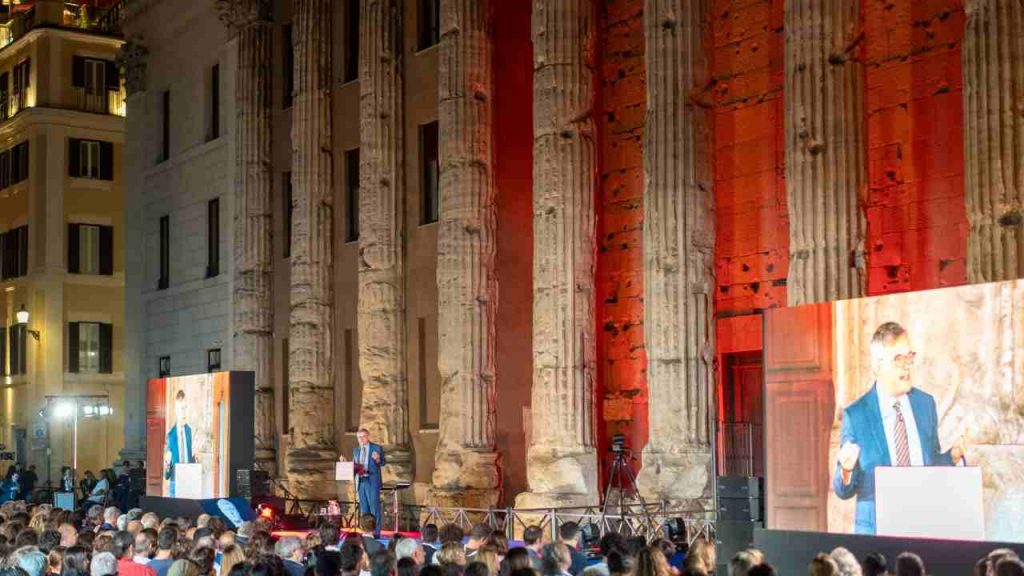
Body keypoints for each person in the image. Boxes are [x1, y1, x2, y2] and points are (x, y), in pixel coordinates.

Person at [832, 322, 967, 534]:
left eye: (909, 356)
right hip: (878, 538)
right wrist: (846, 469)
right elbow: (843, 490)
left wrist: (953, 457)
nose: (907, 365)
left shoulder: (925, 405)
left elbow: (931, 464)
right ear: (878, 365)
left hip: (924, 527)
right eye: (898, 359)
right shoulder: (856, 415)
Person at [351, 429, 385, 532]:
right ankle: (366, 530)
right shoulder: (356, 450)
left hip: (372, 481)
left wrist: (378, 459)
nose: (360, 439)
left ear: (368, 436)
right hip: (361, 481)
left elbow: (382, 462)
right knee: (364, 508)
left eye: (363, 436)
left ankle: (376, 532)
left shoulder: (376, 448)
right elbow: (354, 466)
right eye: (358, 437)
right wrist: (346, 464)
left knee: (374, 507)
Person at [165, 390, 196, 498]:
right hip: (176, 482)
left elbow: (191, 457)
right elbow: (166, 473)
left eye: (186, 408)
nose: (184, 412)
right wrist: (167, 465)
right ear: (176, 410)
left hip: (189, 482)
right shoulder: (170, 435)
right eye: (181, 408)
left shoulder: (189, 431)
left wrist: (195, 458)